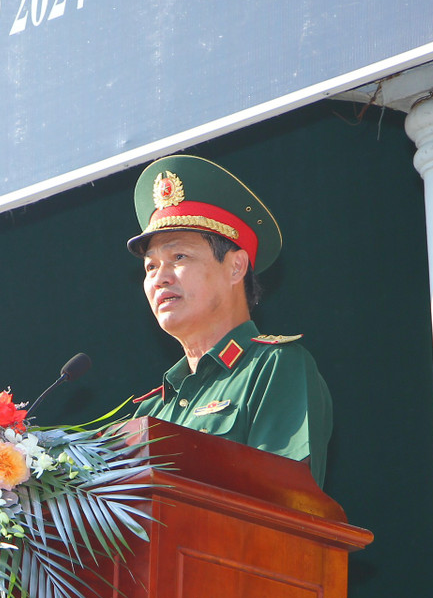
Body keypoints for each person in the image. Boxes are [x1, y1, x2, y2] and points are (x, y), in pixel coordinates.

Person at [128, 154, 332, 486]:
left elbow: (282, 503)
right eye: (150, 266)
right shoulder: (149, 412)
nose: (159, 278)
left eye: (179, 256)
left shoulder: (273, 368)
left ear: (236, 267)